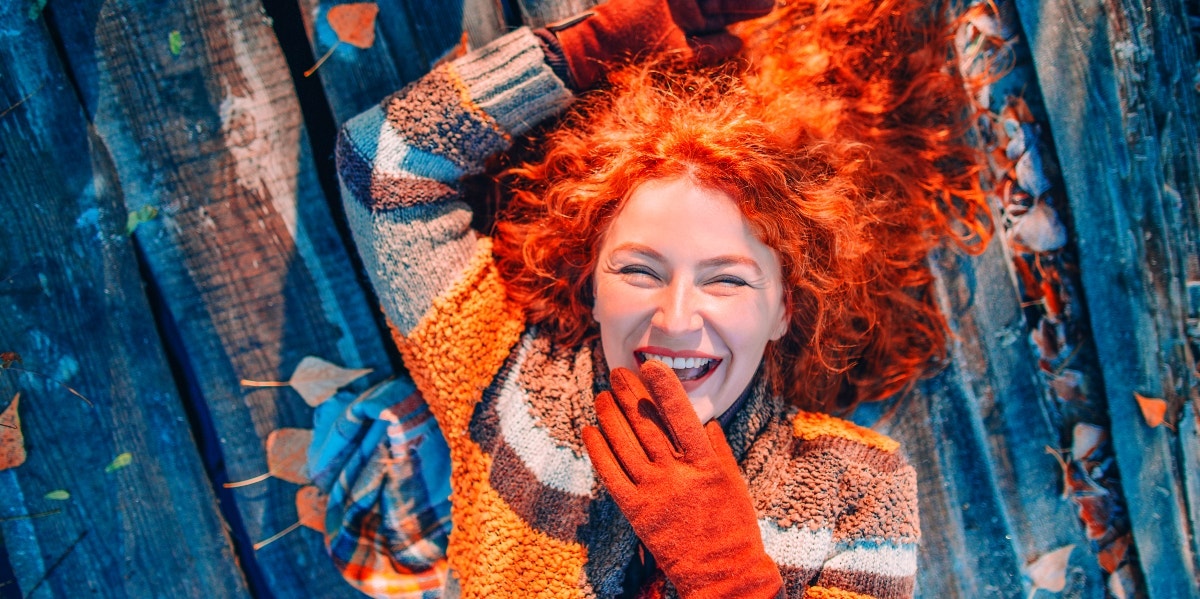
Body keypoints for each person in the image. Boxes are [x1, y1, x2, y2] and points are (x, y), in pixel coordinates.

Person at [309, 0, 990, 597]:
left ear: (784, 307)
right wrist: (584, 51)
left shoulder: (858, 489)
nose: (675, 318)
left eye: (726, 278)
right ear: (591, 282)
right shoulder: (508, 384)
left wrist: (732, 581)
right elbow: (385, 168)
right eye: (639, 270)